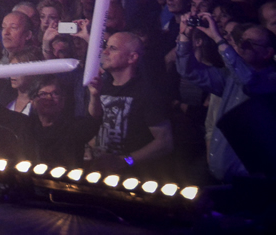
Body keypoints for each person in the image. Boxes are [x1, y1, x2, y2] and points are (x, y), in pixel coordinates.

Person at [176, 13, 276, 182]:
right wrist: (185, 36)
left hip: (253, 180)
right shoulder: (230, 77)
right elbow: (189, 71)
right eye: (240, 41)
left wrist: (218, 38)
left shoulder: (270, 80)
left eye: (248, 44)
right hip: (219, 173)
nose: (241, 46)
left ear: (268, 53)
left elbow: (249, 82)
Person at [88, 32, 173, 173]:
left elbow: (164, 142)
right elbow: (95, 121)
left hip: (133, 177)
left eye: (113, 48)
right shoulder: (102, 86)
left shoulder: (146, 91)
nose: (105, 52)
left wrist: (126, 161)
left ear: (132, 57)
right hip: (99, 170)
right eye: (106, 47)